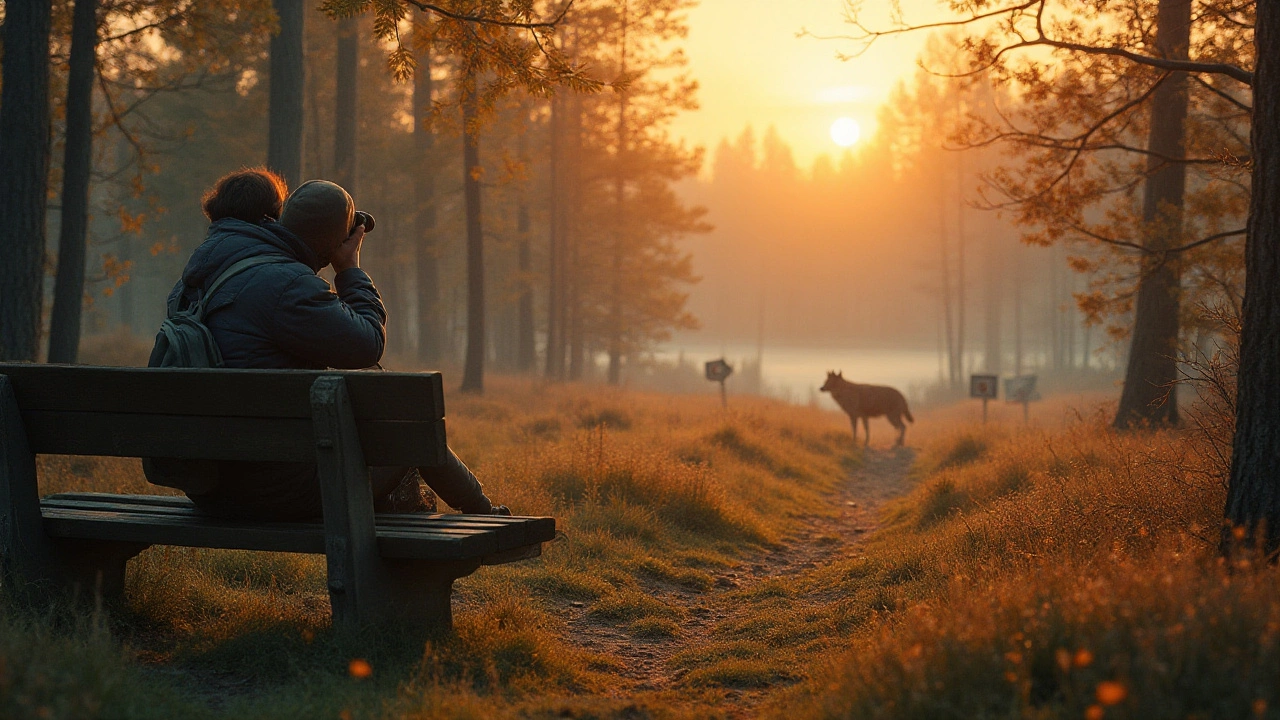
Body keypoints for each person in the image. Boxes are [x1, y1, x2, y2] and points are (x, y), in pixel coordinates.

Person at [147, 169, 507, 520]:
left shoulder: (193, 282)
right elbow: (367, 345)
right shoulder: (286, 285)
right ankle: (481, 515)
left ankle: (472, 517)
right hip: (275, 490)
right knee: (406, 426)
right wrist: (348, 267)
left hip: (209, 487)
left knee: (392, 426)